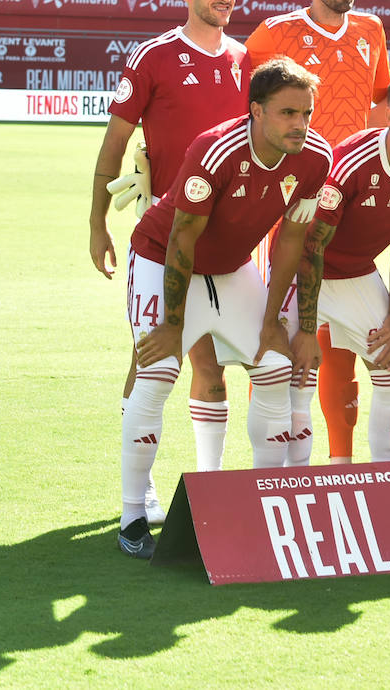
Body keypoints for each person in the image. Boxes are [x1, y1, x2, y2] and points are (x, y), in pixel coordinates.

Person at [118, 57, 333, 558]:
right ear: (256, 111)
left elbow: (292, 240)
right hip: (163, 257)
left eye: (306, 113)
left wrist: (273, 320)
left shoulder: (315, 158)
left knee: (276, 367)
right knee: (155, 372)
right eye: (287, 113)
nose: (300, 124)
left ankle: (267, 502)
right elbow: (180, 238)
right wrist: (173, 326)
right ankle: (132, 517)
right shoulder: (215, 149)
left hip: (233, 269)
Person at [90, 0, 251, 526]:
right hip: (166, 235)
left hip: (229, 243)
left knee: (213, 364)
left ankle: (209, 487)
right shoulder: (155, 56)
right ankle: (140, 492)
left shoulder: (246, 59)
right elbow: (114, 144)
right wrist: (97, 222)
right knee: (155, 357)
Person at [246, 0, 390, 466]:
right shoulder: (275, 34)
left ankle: (341, 464)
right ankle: (274, 471)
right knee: (281, 344)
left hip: (349, 204)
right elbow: (247, 110)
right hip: (286, 206)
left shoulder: (371, 31)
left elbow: (380, 110)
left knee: (339, 348)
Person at [285, 72, 390, 463]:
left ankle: (385, 483)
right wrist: (309, 328)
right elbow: (311, 248)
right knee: (294, 375)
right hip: (301, 270)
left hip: (356, 274)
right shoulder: (352, 162)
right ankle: (292, 488)